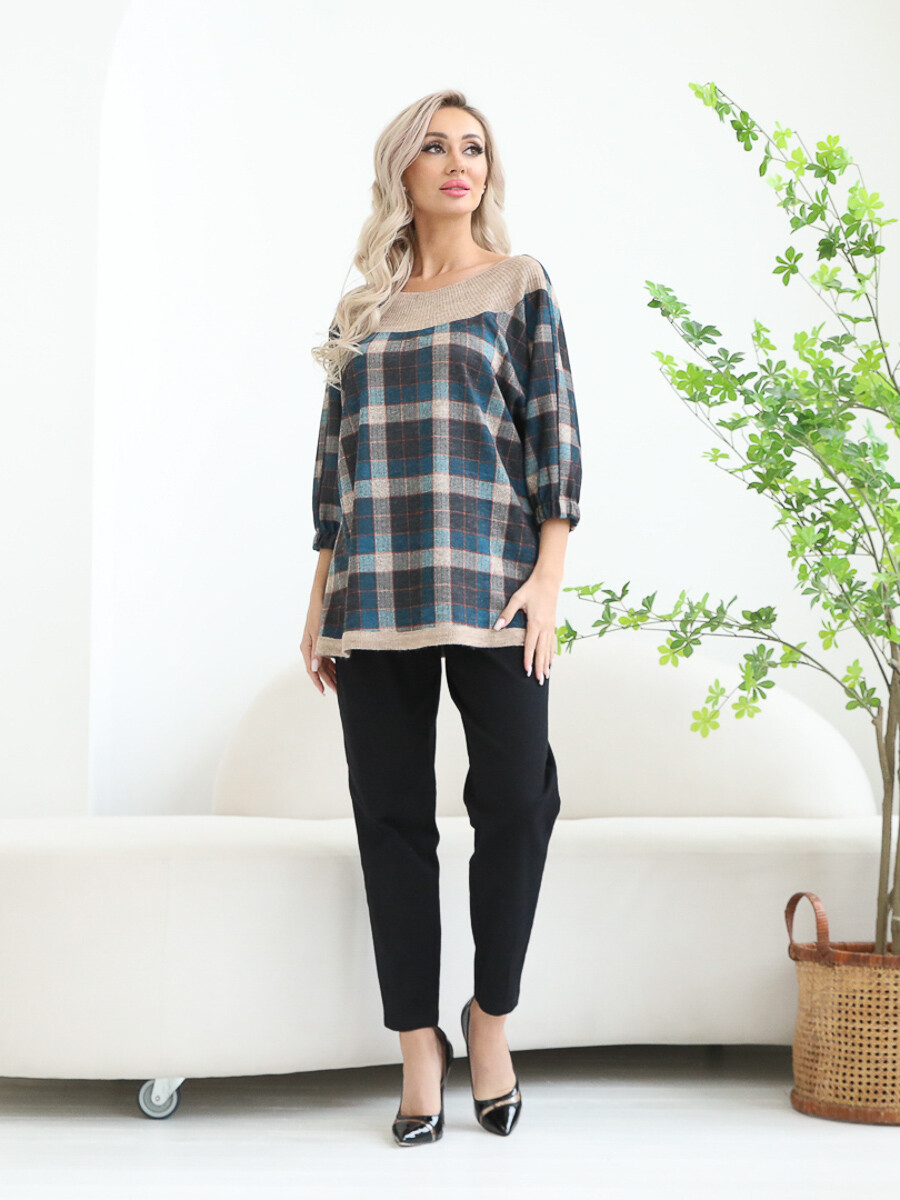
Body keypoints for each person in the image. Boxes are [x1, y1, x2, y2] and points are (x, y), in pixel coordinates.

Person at [300, 89, 582, 1146]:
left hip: (496, 589)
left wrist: (548, 578)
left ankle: (488, 1019)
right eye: (435, 146)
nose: (459, 162)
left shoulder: (519, 284)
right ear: (402, 173)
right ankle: (418, 1043)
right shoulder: (359, 313)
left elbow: (555, 435)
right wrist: (318, 598)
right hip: (373, 594)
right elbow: (334, 470)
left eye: (474, 147)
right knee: (390, 820)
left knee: (517, 799)